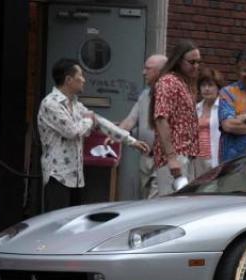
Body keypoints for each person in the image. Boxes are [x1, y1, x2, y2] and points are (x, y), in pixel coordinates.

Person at [38, 58, 148, 212]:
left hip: (75, 176)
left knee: (73, 224)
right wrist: (88, 120)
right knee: (55, 225)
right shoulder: (51, 104)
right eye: (80, 76)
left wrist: (131, 141)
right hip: (58, 176)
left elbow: (100, 122)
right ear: (69, 80)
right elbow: (72, 131)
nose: (84, 80)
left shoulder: (74, 103)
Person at [150, 40, 201, 195]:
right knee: (172, 208)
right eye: (192, 62)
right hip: (175, 156)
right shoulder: (168, 81)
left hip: (186, 155)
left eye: (198, 62)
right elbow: (160, 117)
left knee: (184, 207)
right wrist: (171, 158)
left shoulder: (183, 82)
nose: (196, 66)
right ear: (179, 61)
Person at [117, 54, 168, 199]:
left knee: (156, 203)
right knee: (146, 201)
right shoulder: (145, 95)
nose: (143, 72)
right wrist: (115, 133)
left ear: (159, 71)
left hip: (164, 161)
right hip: (146, 161)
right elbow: (129, 121)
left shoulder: (171, 96)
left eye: (147, 68)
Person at [193, 67, 223, 177]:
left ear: (218, 87)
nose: (206, 89)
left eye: (210, 85)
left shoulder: (223, 108)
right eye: (203, 85)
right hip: (198, 159)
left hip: (216, 158)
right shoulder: (196, 108)